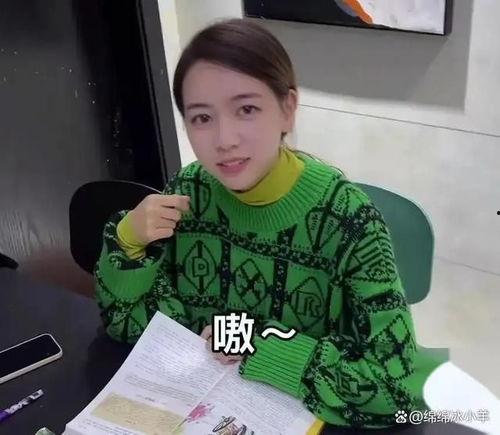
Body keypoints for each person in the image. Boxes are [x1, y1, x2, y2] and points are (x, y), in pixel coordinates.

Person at [94, 18, 445, 429]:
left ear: (287, 109)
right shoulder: (189, 193)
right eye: (202, 118)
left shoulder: (349, 221)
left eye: (246, 109)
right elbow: (130, 325)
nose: (225, 140)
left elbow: (398, 385)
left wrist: (261, 347)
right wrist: (127, 240)